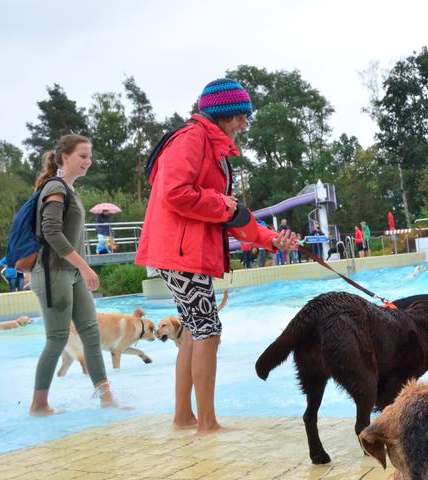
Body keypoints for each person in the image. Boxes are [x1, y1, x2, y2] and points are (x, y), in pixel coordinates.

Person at [135, 78, 297, 434]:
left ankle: (184, 418)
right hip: (180, 253)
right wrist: (226, 205)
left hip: (182, 252)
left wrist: (272, 240)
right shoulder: (192, 139)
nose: (244, 125)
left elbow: (230, 215)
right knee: (207, 329)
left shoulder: (212, 146)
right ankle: (206, 423)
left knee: (194, 329)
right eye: (240, 116)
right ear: (221, 114)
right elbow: (176, 193)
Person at [28, 133, 122, 416]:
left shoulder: (69, 189)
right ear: (64, 157)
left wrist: (80, 269)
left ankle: (107, 398)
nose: (88, 162)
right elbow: (51, 233)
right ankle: (39, 405)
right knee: (57, 338)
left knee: (91, 334)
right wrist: (84, 265)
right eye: (82, 156)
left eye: (89, 157)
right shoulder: (55, 188)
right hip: (53, 273)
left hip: (72, 273)